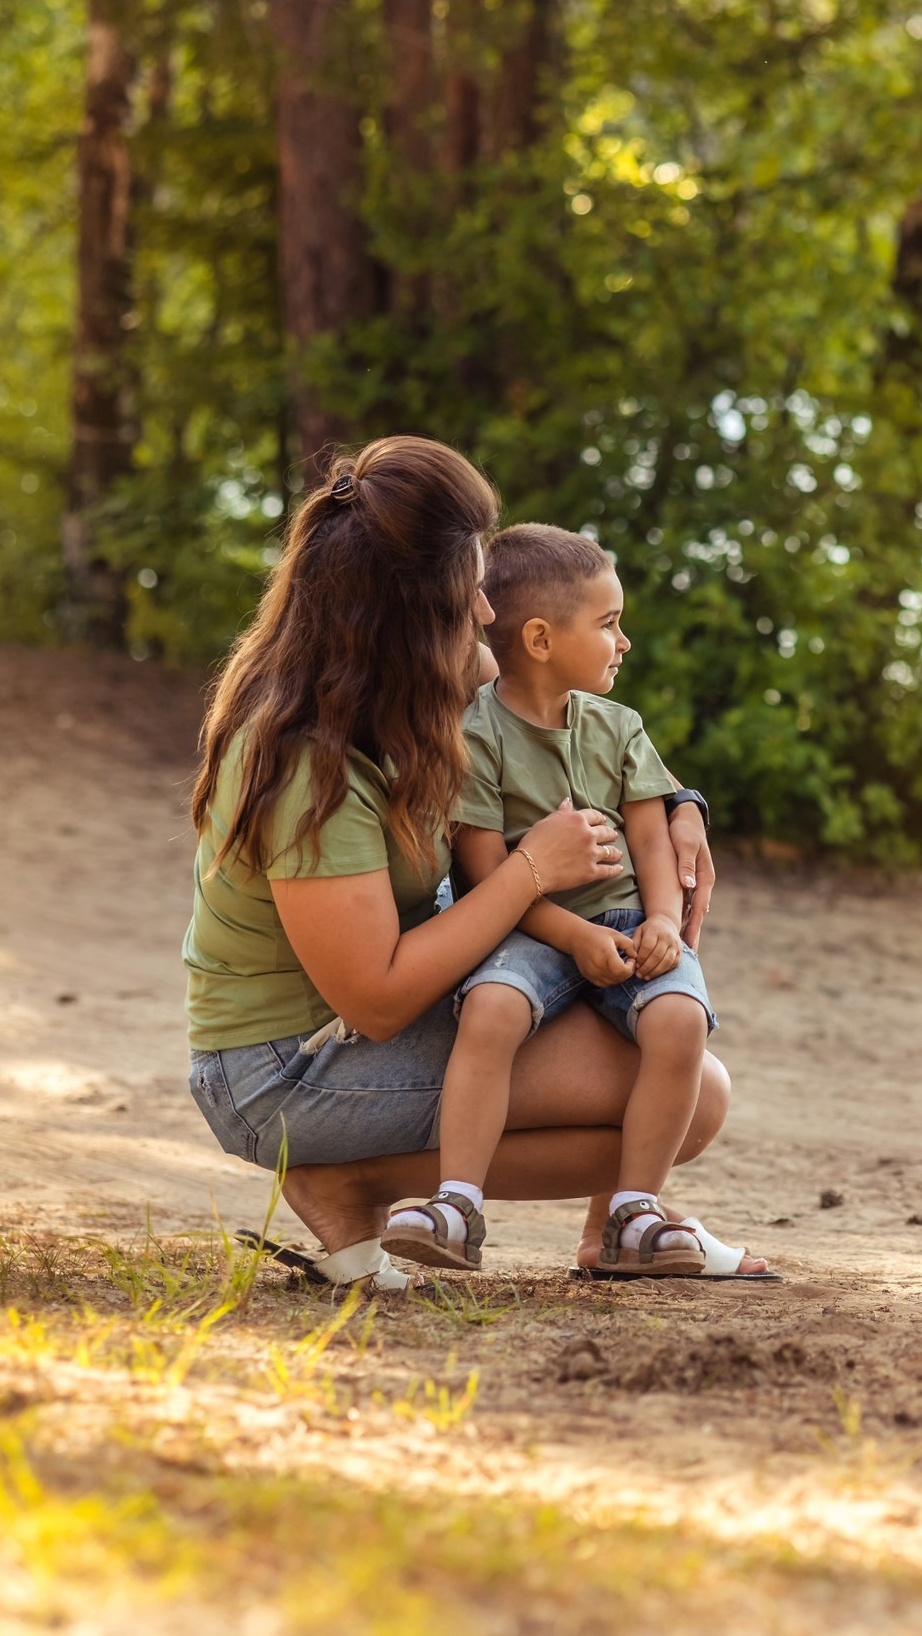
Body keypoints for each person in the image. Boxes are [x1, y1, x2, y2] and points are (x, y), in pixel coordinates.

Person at [182, 435, 770, 1288]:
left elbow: (572, 739)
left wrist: (680, 803)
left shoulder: (416, 700)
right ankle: (354, 1182)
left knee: (682, 1066)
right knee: (694, 1093)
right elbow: (376, 997)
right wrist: (533, 870)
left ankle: (604, 1221)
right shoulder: (311, 758)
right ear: (413, 617)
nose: (488, 610)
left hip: (358, 1030)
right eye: (470, 592)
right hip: (280, 1068)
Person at [380, 523, 719, 1275]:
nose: (623, 642)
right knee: (491, 1007)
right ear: (539, 639)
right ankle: (456, 1204)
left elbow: (652, 839)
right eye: (608, 624)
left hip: (629, 919)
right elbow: (485, 877)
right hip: (528, 925)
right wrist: (572, 936)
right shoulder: (478, 735)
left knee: (680, 1019)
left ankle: (635, 1211)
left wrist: (665, 919)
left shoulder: (619, 727)